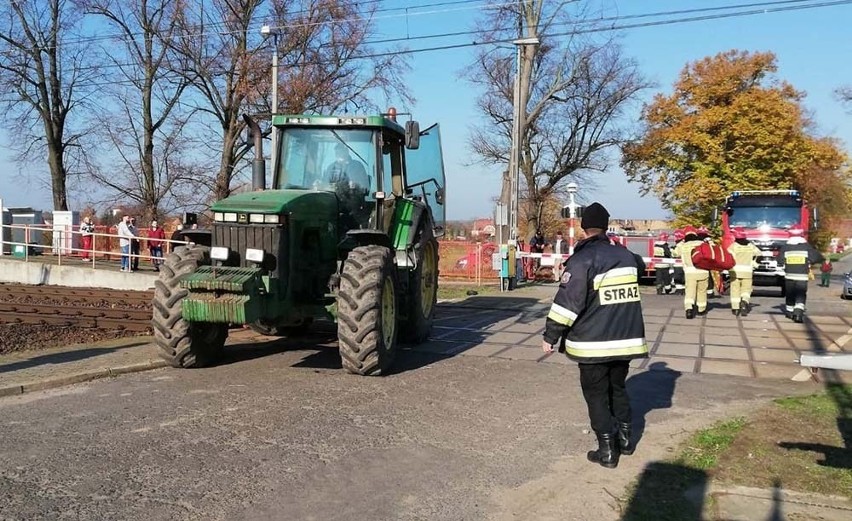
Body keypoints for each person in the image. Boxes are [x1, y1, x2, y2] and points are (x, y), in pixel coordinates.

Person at [541, 202, 648, 469]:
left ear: (582, 226)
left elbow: (568, 302)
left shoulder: (582, 260)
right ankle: (625, 440)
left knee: (597, 395)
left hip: (593, 345)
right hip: (626, 340)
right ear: (606, 224)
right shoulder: (626, 257)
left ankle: (606, 451)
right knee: (618, 389)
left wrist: (550, 335)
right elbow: (640, 266)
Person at [778, 225, 823, 322]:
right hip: (802, 277)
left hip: (789, 277)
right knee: (801, 295)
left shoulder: (786, 247)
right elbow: (817, 258)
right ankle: (798, 313)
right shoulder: (806, 247)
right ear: (802, 234)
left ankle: (789, 312)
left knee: (790, 294)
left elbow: (780, 261)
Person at [673, 226, 708, 319]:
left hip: (690, 272)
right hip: (703, 271)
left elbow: (675, 253)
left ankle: (689, 309)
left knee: (690, 292)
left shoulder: (683, 246)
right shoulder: (702, 243)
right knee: (702, 291)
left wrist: (680, 243)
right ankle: (701, 309)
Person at [727, 227, 762, 316]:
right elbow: (760, 255)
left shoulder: (733, 246)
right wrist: (754, 264)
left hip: (735, 272)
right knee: (746, 289)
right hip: (747, 272)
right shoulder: (750, 245)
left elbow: (728, 258)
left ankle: (735, 309)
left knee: (735, 290)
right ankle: (744, 301)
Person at [671, 229, 686, 295]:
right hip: (684, 264)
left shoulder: (679, 245)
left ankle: (679, 290)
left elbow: (677, 254)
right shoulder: (684, 244)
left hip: (678, 265)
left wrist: (672, 250)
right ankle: (683, 290)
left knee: (678, 278)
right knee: (683, 278)